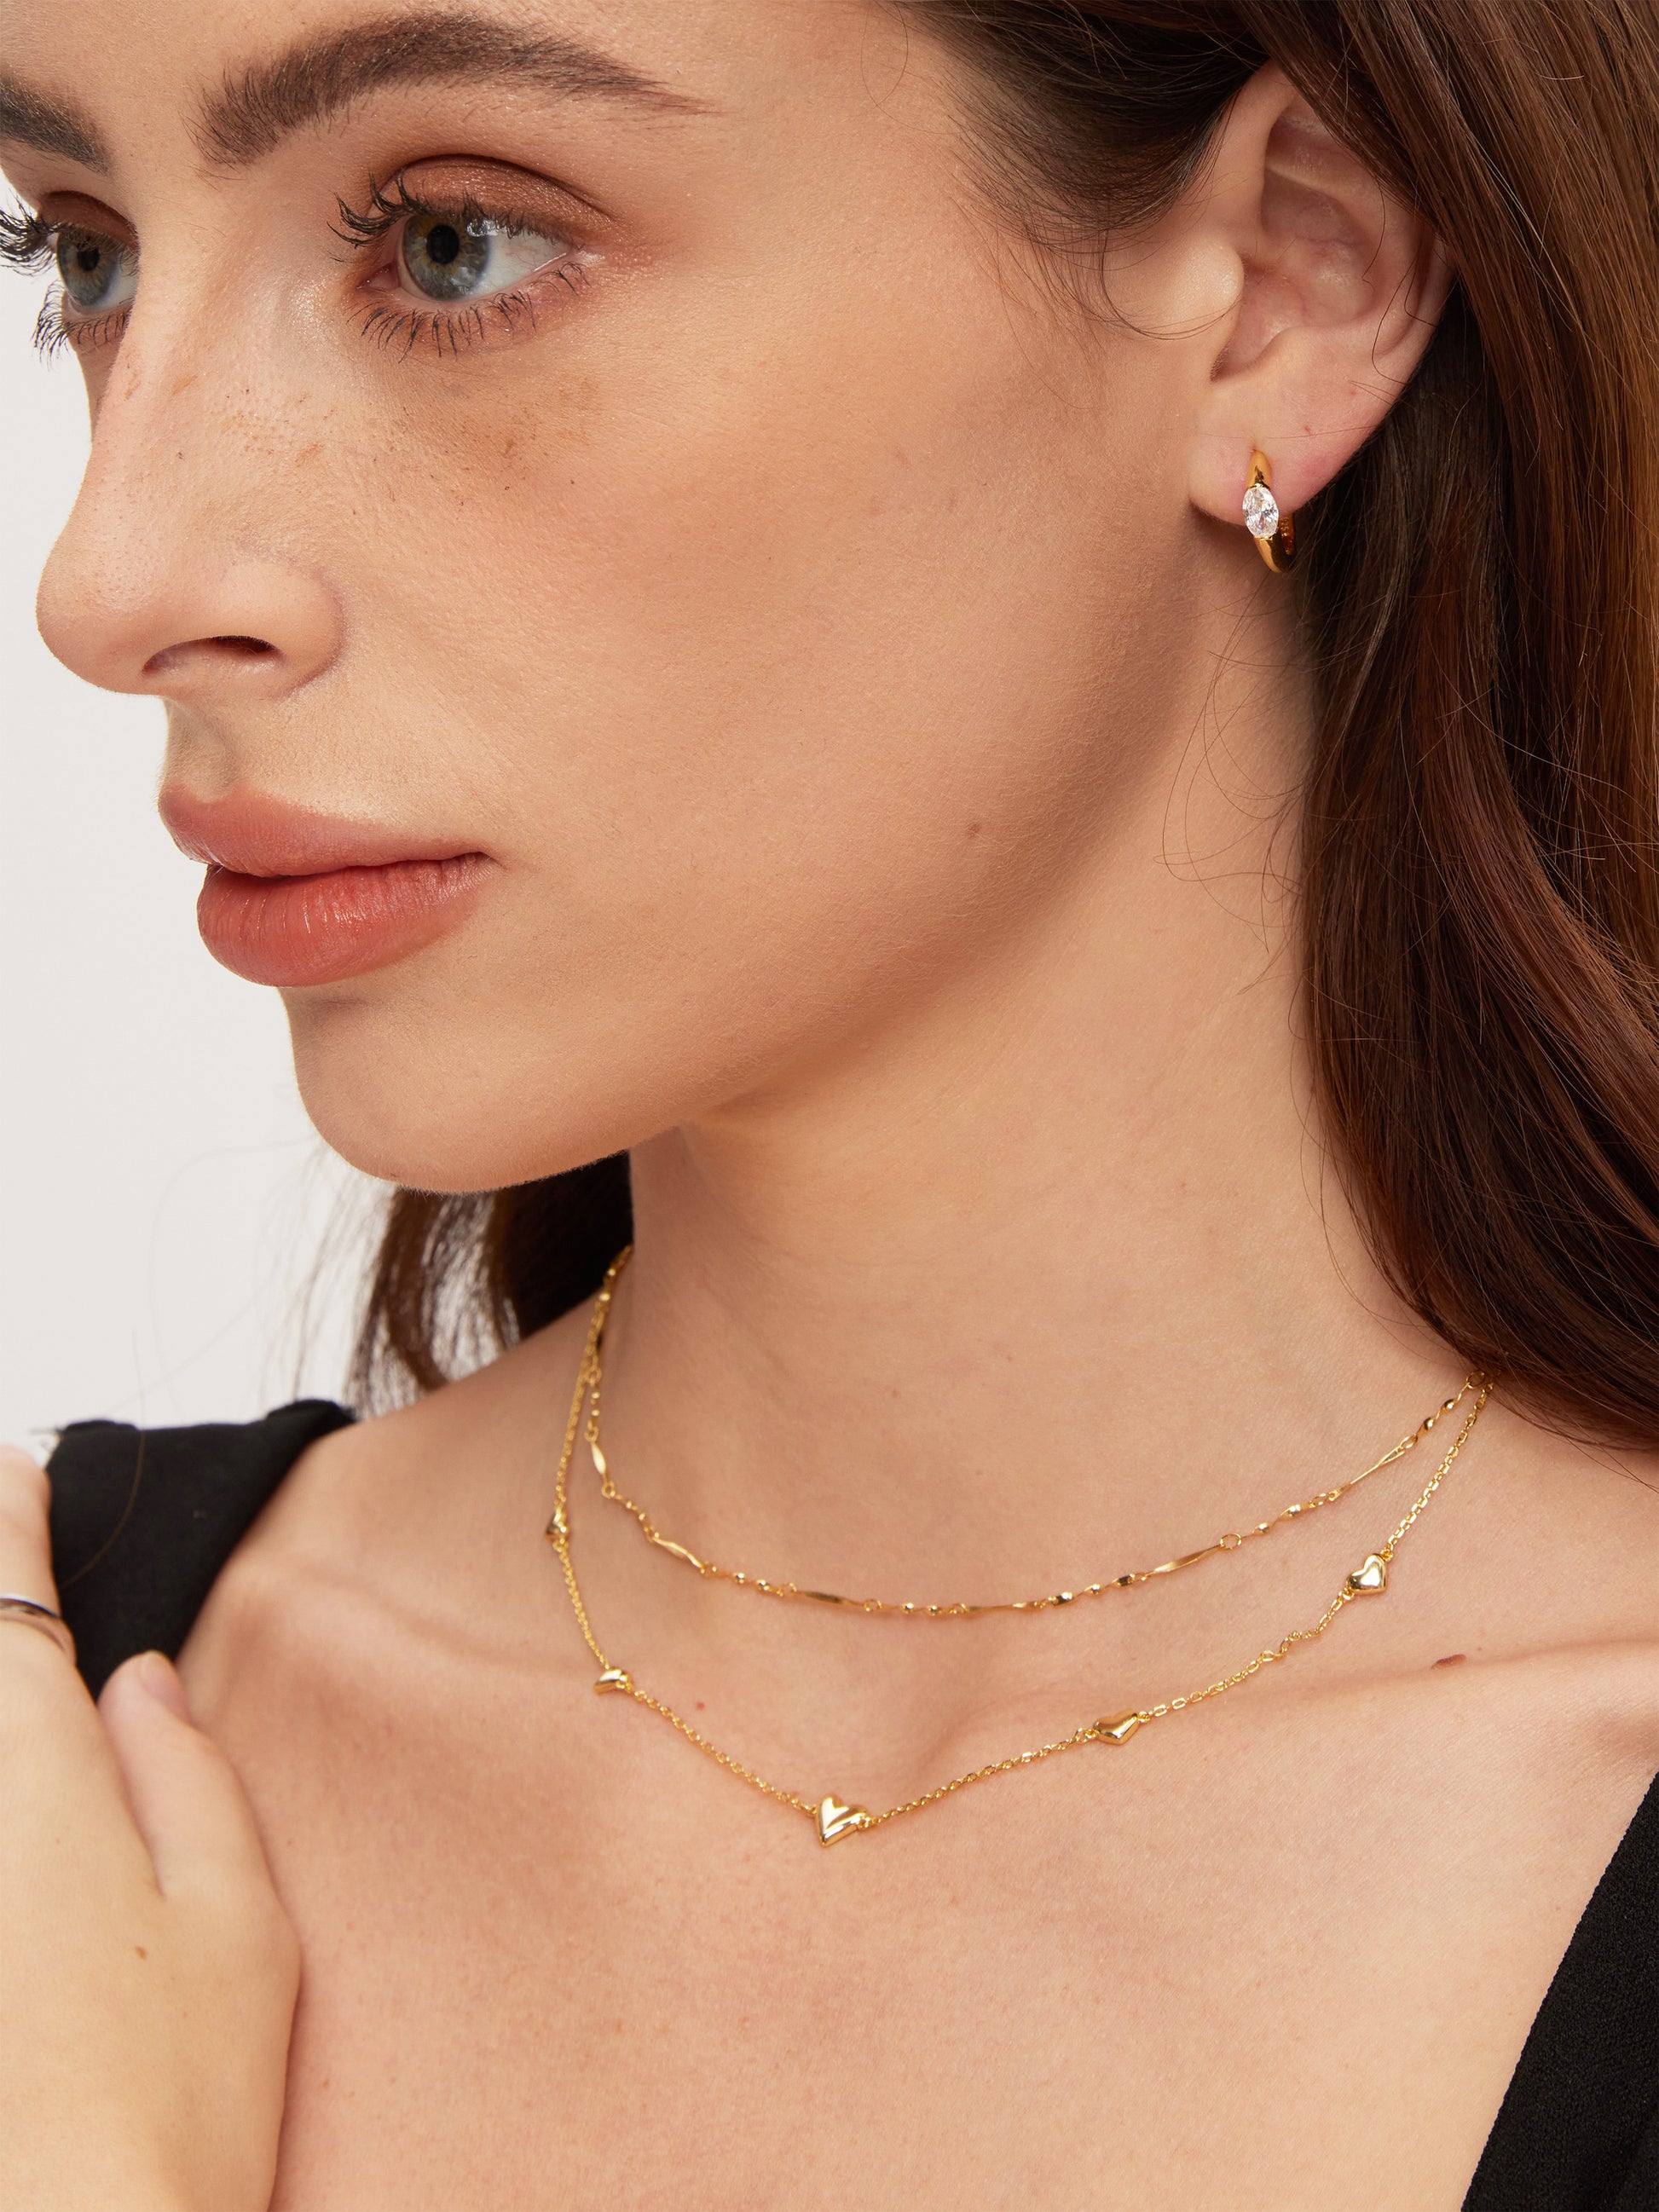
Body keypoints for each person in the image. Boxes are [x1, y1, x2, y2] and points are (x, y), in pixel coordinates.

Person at [1, 1, 1655, 2205]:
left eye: (454, 243)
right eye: (88, 255)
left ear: (1282, 283)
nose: (110, 578)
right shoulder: (46, 1740)